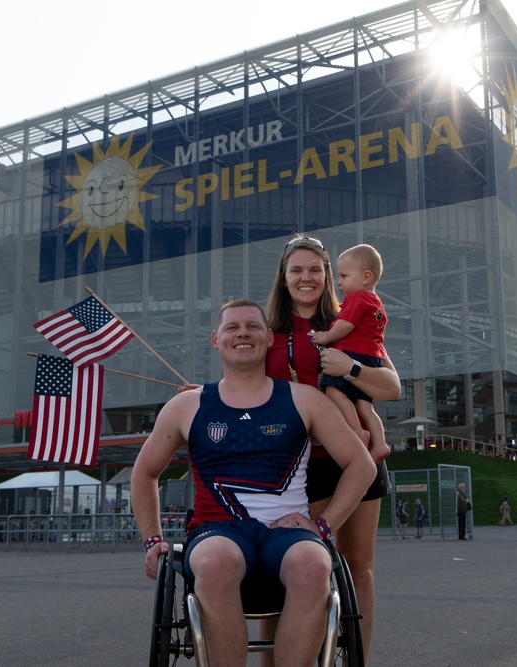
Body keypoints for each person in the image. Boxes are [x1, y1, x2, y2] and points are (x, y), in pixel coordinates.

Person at [132, 300, 376, 666]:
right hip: (217, 530)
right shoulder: (188, 406)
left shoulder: (303, 399)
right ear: (216, 339)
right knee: (213, 563)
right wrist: (152, 539)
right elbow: (144, 472)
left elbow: (362, 464)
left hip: (286, 531)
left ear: (268, 340)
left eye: (252, 326)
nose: (242, 333)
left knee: (313, 564)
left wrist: (324, 525)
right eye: (232, 327)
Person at [265, 234, 401, 658]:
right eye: (297, 270)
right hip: (297, 465)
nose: (307, 278)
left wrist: (351, 366)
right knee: (289, 572)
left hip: (356, 459)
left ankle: (357, 657)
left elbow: (392, 386)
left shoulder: (352, 316)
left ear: (328, 275)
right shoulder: (267, 330)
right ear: (284, 278)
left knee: (358, 567)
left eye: (316, 269)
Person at [312, 243, 391, 464]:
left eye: (344, 276)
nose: (339, 282)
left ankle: (358, 432)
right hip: (373, 358)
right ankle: (380, 443)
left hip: (354, 355)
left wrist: (326, 337)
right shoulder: (376, 302)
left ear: (366, 277)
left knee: (334, 392)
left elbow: (345, 325)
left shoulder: (356, 298)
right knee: (365, 404)